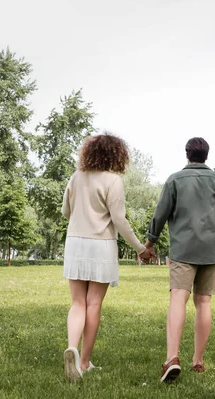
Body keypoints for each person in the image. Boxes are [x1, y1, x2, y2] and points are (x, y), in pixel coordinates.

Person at [61, 133, 155, 383]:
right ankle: (84, 362)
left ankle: (72, 347)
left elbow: (65, 211)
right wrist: (139, 248)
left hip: (76, 244)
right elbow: (119, 221)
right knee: (94, 304)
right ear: (116, 155)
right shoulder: (113, 181)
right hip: (100, 245)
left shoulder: (76, 177)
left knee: (77, 303)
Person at [145, 137, 215, 383]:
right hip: (210, 249)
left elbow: (160, 213)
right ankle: (198, 361)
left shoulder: (174, 180)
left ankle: (172, 358)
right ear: (206, 155)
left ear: (187, 155)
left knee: (178, 299)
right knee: (203, 303)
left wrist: (149, 243)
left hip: (183, 250)